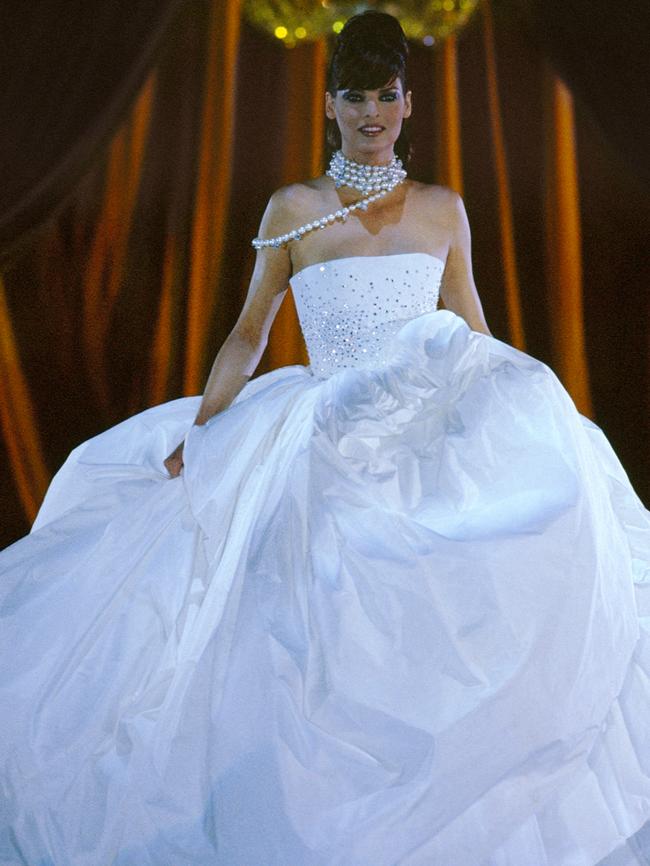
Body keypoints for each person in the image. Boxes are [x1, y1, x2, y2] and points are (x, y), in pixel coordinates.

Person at [1, 9, 649, 866]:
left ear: (409, 105)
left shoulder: (444, 211)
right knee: (296, 625)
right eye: (355, 95)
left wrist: (533, 420)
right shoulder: (294, 209)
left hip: (423, 448)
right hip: (317, 439)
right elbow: (248, 334)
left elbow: (477, 336)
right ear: (330, 103)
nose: (372, 112)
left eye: (386, 94)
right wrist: (203, 435)